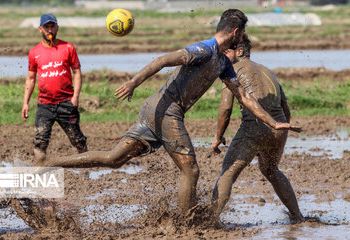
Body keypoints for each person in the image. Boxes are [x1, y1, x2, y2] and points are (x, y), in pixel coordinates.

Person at [40, 9, 299, 214]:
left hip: (154, 110)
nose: (242, 39)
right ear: (235, 32)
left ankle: (46, 163)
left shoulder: (222, 63)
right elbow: (163, 60)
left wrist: (273, 123)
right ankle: (187, 224)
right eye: (242, 34)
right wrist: (133, 82)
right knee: (191, 171)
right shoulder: (204, 49)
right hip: (166, 111)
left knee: (113, 159)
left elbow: (244, 96)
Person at [211, 34, 304, 223]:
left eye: (227, 50)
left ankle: (210, 219)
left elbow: (226, 108)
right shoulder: (268, 70)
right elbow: (285, 107)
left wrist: (218, 136)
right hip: (279, 128)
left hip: (253, 127)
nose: (222, 53)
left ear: (239, 51)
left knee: (228, 171)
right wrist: (279, 132)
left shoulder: (232, 71)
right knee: (271, 171)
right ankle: (297, 216)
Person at [22, 14, 87, 163]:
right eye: (46, 27)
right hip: (45, 105)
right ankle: (39, 168)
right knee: (40, 141)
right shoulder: (34, 52)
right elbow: (31, 79)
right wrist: (25, 103)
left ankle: (87, 169)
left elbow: (77, 72)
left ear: (57, 27)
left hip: (66, 103)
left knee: (78, 140)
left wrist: (75, 97)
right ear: (40, 29)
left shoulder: (68, 47)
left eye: (52, 26)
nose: (49, 30)